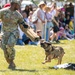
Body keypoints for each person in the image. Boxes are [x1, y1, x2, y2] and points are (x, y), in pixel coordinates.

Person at [0, 0, 39, 70]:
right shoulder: (3, 11)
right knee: (4, 49)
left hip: (14, 33)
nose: (19, 7)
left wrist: (33, 35)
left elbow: (24, 25)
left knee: (10, 45)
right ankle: (10, 62)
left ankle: (11, 60)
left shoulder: (18, 15)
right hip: (4, 33)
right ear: (14, 4)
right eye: (18, 5)